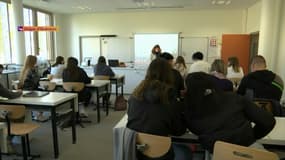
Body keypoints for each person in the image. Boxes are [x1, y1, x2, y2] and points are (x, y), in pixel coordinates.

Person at [184, 72, 275, 153]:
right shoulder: (234, 98)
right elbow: (268, 121)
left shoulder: (190, 110)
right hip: (249, 150)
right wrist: (252, 135)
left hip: (220, 154)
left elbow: (194, 130)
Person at [127, 58, 191, 160]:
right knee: (186, 152)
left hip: (136, 151)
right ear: (169, 74)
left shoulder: (135, 94)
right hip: (161, 154)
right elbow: (179, 131)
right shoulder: (170, 96)